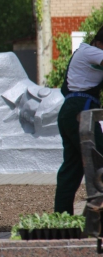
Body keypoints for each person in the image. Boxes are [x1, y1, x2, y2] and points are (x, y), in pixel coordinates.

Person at [55, 26, 103, 214]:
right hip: (79, 111)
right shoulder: (88, 51)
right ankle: (92, 213)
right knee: (99, 158)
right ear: (98, 43)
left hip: (71, 112)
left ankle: (62, 218)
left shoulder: (91, 57)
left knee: (72, 169)